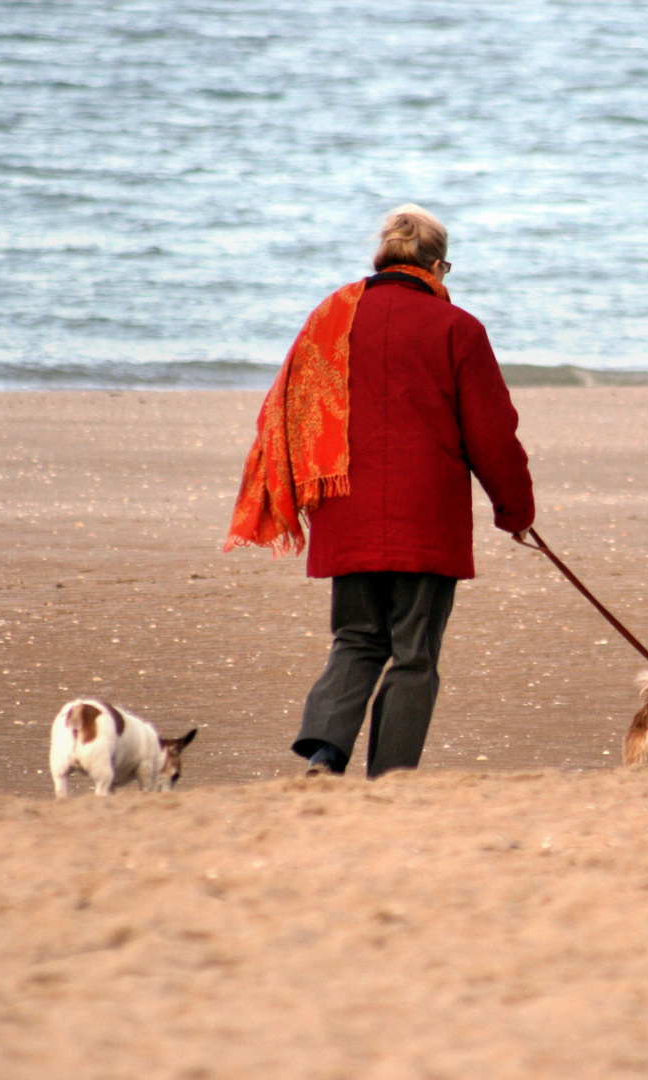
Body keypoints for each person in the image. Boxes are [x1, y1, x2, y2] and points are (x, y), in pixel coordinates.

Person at [227, 204, 534, 777]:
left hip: (346, 509)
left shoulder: (331, 316)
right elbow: (492, 433)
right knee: (414, 654)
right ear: (437, 266)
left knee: (357, 638)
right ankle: (389, 778)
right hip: (427, 516)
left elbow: (291, 405)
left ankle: (324, 750)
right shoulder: (458, 327)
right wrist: (515, 510)